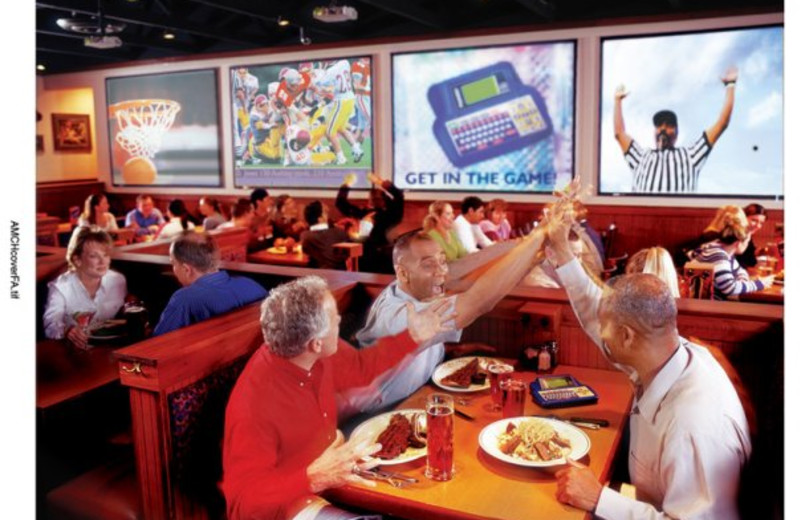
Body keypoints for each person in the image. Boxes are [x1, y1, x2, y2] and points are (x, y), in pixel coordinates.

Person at [546, 213, 751, 519]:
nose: (599, 335)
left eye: (605, 328)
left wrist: (599, 499)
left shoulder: (692, 426)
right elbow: (594, 308)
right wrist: (562, 251)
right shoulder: (667, 355)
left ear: (627, 336)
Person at [221, 275, 455, 519]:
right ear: (315, 344)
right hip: (286, 507)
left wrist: (413, 336)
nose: (340, 320)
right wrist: (312, 477)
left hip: (332, 480)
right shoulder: (253, 405)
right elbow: (242, 504)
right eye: (334, 319)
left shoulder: (314, 352)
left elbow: (361, 368)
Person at [338, 219, 551, 416]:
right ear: (403, 273)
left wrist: (453, 350)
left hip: (414, 400)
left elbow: (469, 272)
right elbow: (478, 301)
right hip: (375, 417)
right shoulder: (398, 316)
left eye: (442, 261)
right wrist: (536, 239)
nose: (441, 272)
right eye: (429, 264)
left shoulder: (414, 291)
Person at [613, 67, 738, 193]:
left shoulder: (691, 155)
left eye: (669, 125)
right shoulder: (641, 157)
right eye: (659, 125)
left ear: (677, 133)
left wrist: (730, 85)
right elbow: (619, 133)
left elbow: (722, 123)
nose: (662, 128)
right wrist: (617, 101)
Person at [153, 233, 267, 336]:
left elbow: (156, 345)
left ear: (186, 269)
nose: (174, 269)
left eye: (173, 263)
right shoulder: (252, 285)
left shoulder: (184, 299)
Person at [43, 227, 127, 349]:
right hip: (72, 354)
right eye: (94, 256)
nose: (103, 261)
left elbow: (123, 312)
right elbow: (50, 325)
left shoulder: (118, 280)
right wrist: (67, 330)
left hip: (110, 349)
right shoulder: (60, 287)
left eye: (105, 255)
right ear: (77, 260)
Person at [688, 212, 773, 300]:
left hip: (710, 303)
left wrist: (742, 282)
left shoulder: (722, 251)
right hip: (711, 306)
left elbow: (740, 271)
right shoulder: (719, 256)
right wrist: (759, 284)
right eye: (746, 242)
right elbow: (729, 289)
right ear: (738, 243)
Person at [335, 172, 405, 274]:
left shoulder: (364, 214)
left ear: (369, 202)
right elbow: (399, 196)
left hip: (365, 259)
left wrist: (347, 184)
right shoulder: (392, 215)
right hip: (385, 261)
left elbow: (340, 203)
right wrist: (380, 182)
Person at [300, 201, 350, 270]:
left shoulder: (305, 236)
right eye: (325, 213)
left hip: (320, 277)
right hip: (341, 276)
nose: (328, 214)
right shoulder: (340, 233)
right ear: (320, 219)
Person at [735, 203, 767, 268]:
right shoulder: (733, 235)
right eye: (754, 220)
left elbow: (750, 261)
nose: (758, 226)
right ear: (743, 217)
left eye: (761, 223)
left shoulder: (748, 234)